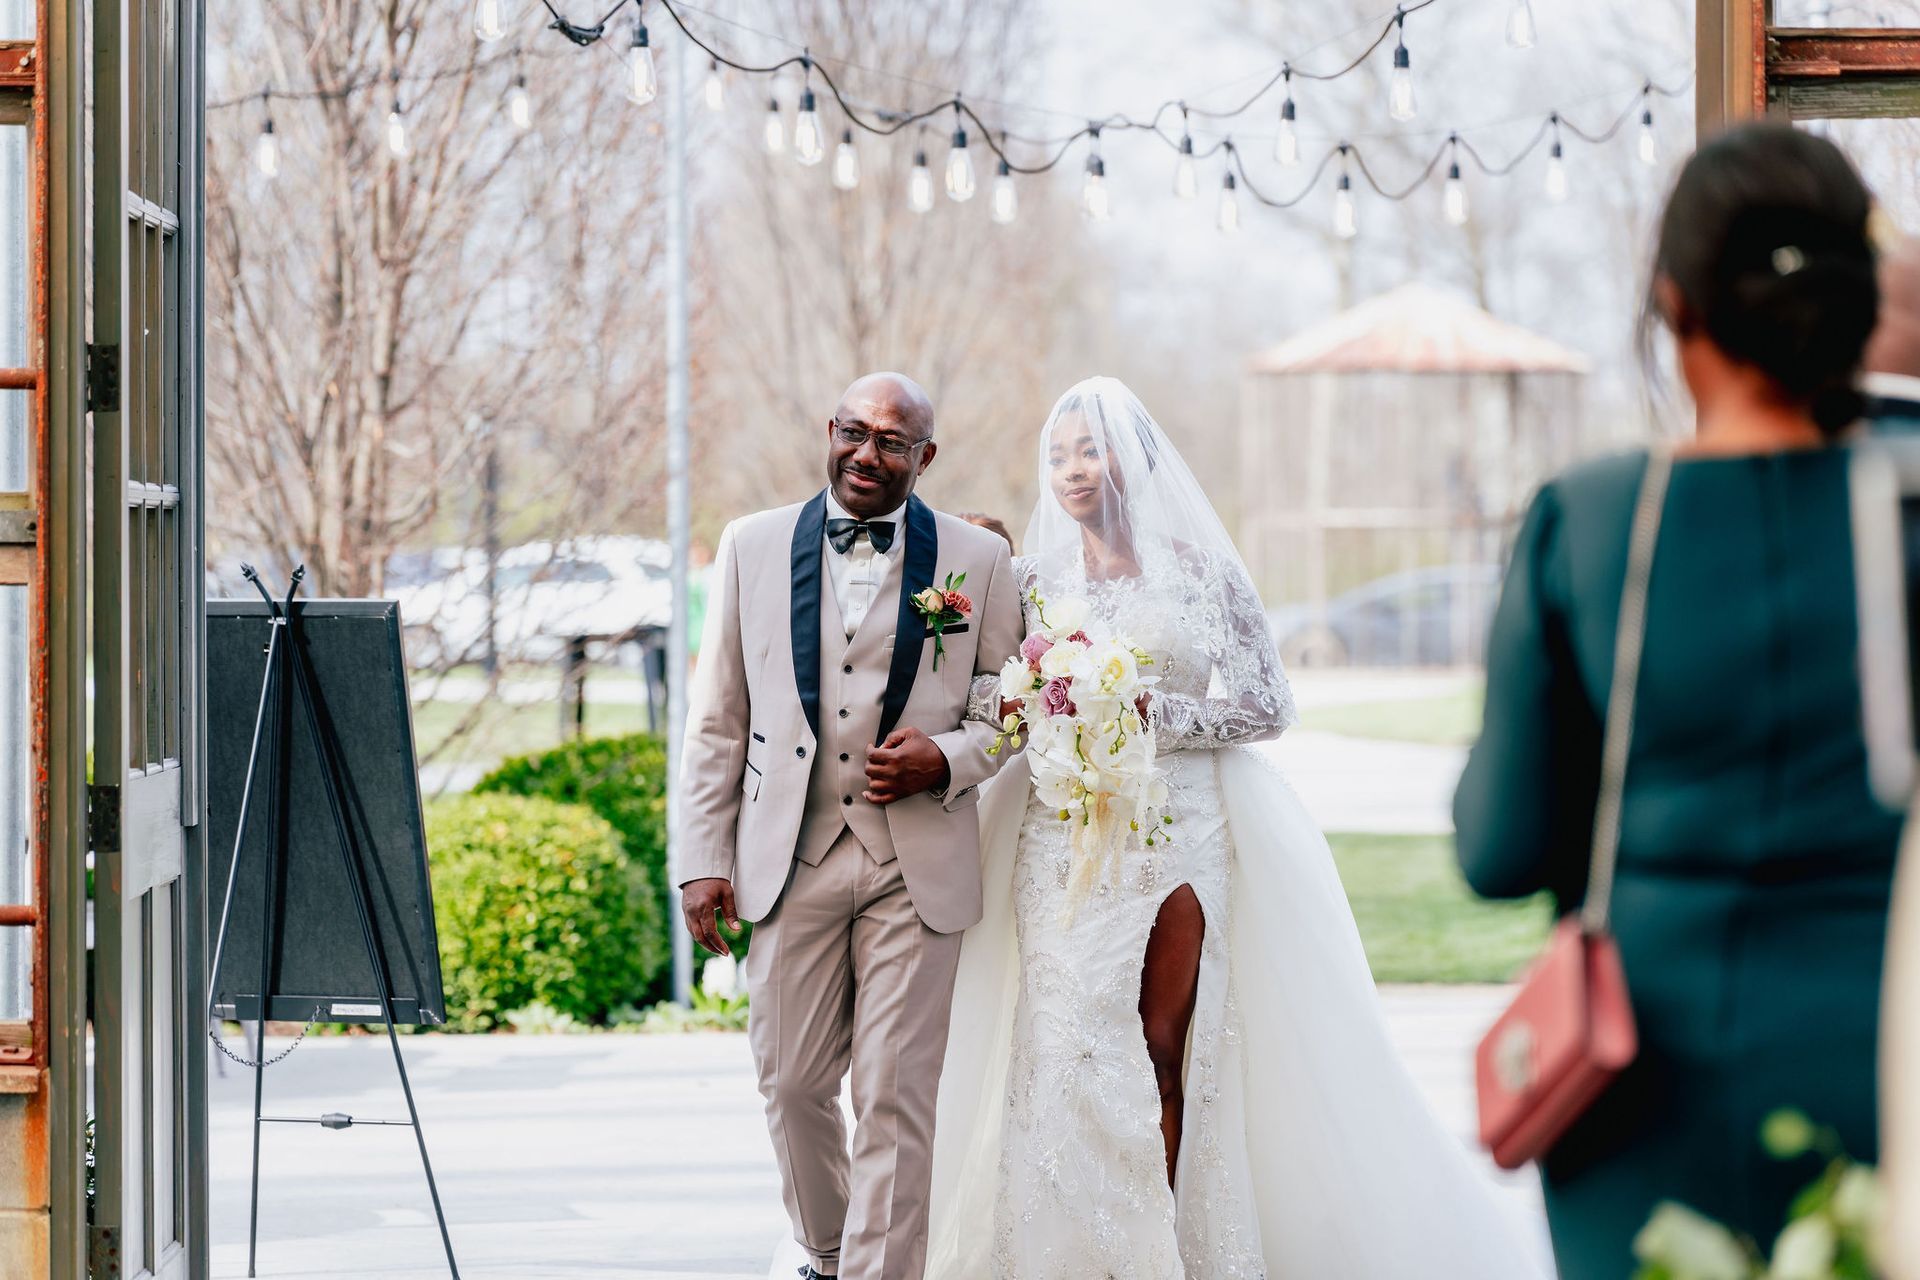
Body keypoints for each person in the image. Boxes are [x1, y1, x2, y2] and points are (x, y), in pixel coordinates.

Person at [925, 376, 1545, 1278]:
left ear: (1133, 460)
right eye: (1057, 455)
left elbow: (1267, 704)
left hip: (1180, 823)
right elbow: (992, 699)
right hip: (1061, 835)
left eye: (1089, 450)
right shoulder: (1028, 581)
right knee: (1060, 1043)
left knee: (1166, 1044)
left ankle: (1164, 1251)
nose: (1070, 471)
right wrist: (1049, 703)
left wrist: (1140, 713)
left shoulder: (1202, 570)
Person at [1454, 123, 1905, 1280]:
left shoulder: (1592, 519)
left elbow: (1500, 849)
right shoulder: (1902, 510)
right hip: (1890, 1073)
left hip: (1637, 1089)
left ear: (1675, 304)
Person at [676, 372, 1025, 1280]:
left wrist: (946, 757)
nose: (867, 454)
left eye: (892, 441)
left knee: (895, 1096)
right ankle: (830, 1256)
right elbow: (716, 719)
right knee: (790, 1085)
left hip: (917, 864)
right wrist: (701, 860)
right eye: (854, 432)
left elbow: (1013, 713)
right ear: (830, 431)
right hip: (790, 858)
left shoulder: (977, 563)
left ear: (926, 457)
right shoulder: (750, 546)